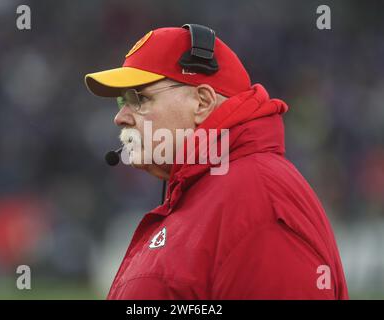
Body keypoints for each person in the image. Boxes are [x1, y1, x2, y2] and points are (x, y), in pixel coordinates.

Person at [84, 24, 348, 299]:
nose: (120, 117)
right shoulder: (208, 192)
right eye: (121, 101)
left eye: (138, 98)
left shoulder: (258, 203)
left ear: (202, 103)